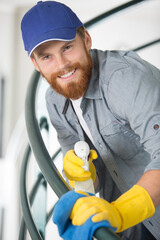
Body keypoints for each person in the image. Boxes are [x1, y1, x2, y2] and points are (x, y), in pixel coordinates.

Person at [21, 1, 160, 239]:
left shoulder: (125, 78)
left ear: (86, 39)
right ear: (36, 64)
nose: (62, 65)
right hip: (128, 228)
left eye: (67, 48)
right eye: (47, 57)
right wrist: (84, 175)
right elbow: (92, 185)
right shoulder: (55, 100)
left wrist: (121, 212)